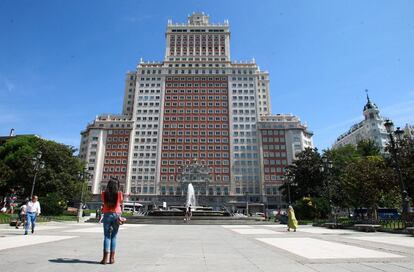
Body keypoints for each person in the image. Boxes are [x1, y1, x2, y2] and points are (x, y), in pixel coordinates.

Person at [100, 178, 123, 265]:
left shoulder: (103, 193)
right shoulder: (119, 193)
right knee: (114, 237)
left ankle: (105, 259)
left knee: (106, 236)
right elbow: (120, 202)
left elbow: (103, 202)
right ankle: (112, 259)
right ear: (117, 185)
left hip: (107, 214)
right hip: (116, 215)